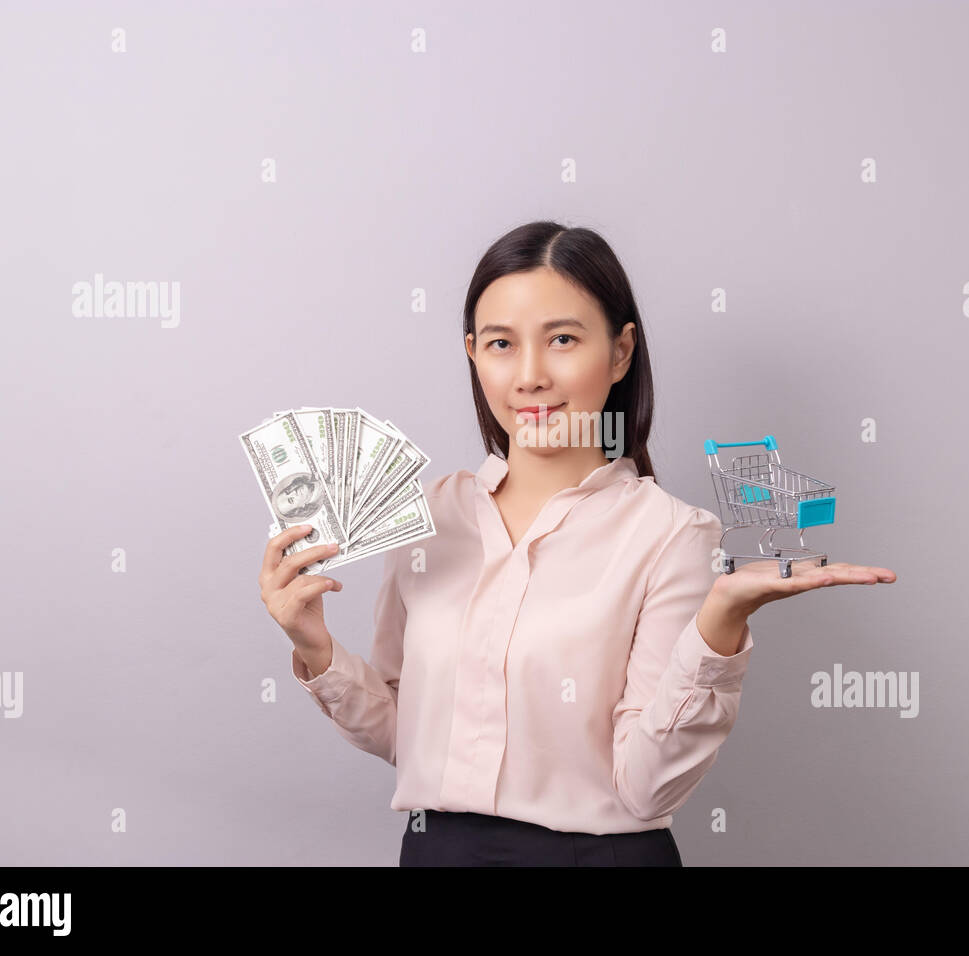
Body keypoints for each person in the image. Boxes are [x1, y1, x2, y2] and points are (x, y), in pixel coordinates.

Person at [258, 221, 896, 866]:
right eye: (502, 344)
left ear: (620, 353)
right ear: (474, 353)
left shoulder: (672, 535)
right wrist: (314, 644)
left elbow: (647, 790)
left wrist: (721, 621)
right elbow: (408, 735)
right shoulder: (429, 515)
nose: (531, 376)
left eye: (562, 339)